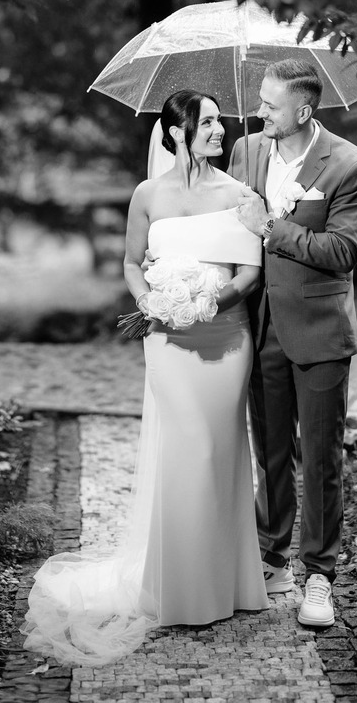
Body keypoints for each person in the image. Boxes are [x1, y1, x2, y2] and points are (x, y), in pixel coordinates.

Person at [21, 90, 268, 666]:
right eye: (207, 122)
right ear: (177, 132)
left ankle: (227, 582)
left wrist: (210, 299)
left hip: (225, 338)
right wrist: (151, 300)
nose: (219, 131)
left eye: (218, 122)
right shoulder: (147, 195)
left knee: (219, 450)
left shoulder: (239, 196)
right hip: (165, 339)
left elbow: (251, 272)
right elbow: (133, 262)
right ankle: (178, 586)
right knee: (185, 451)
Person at [228, 59, 357, 629]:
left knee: (319, 459)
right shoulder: (247, 152)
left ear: (303, 110)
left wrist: (272, 227)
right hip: (260, 324)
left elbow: (343, 252)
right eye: (260, 102)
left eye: (270, 105)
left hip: (319, 331)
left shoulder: (349, 165)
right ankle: (272, 556)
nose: (261, 112)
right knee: (269, 453)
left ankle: (320, 574)